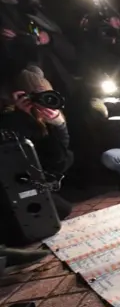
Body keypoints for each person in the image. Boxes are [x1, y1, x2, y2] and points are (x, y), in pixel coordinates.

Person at [0, 67, 73, 244]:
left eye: (45, 94)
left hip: (41, 174)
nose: (41, 100)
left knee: (62, 208)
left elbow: (60, 155)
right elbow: (18, 155)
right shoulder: (10, 117)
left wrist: (58, 125)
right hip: (16, 180)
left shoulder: (51, 116)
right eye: (35, 95)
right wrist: (21, 117)